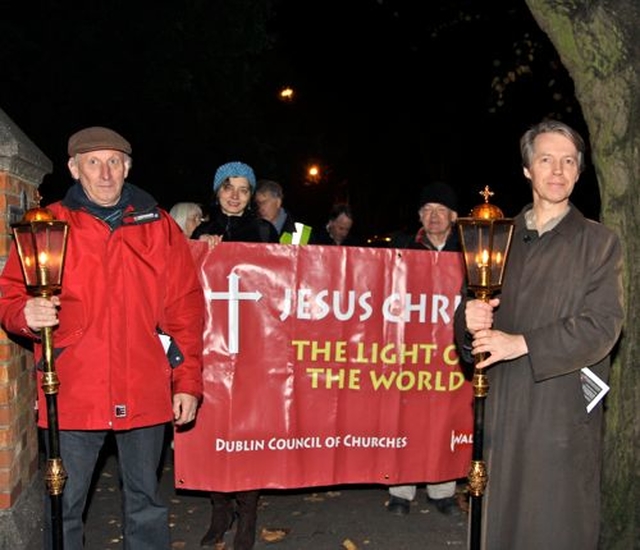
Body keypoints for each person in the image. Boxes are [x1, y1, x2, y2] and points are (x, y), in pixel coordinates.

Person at [0, 126, 205, 549]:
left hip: (145, 385)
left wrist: (187, 382)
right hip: (74, 388)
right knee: (65, 504)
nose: (105, 172)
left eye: (114, 161)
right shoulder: (49, 225)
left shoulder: (159, 225)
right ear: (75, 169)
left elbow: (185, 307)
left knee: (146, 502)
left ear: (127, 167)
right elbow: (10, 295)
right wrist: (25, 314)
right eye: (93, 162)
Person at [454, 119, 624, 549]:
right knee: (500, 526)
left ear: (579, 172)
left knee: (555, 526)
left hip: (561, 410)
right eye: (546, 159)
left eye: (568, 161)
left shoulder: (599, 243)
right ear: (528, 168)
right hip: (504, 406)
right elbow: (469, 318)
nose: (558, 170)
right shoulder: (496, 237)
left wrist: (523, 343)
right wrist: (467, 320)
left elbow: (602, 326)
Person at [194, 161, 278, 550]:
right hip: (212, 348)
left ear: (251, 197)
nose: (234, 195)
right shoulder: (200, 230)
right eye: (228, 187)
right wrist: (204, 250)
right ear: (217, 191)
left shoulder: (263, 232)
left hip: (253, 350)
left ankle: (248, 516)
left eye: (243, 189)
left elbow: (278, 284)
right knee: (212, 432)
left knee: (247, 433)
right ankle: (219, 511)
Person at [386, 181, 463, 516]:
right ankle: (401, 491)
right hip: (409, 348)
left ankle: (442, 489)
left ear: (453, 217)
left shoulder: (468, 250)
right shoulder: (404, 247)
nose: (433, 217)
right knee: (406, 417)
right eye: (427, 211)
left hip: (450, 349)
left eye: (440, 211)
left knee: (445, 417)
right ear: (420, 216)